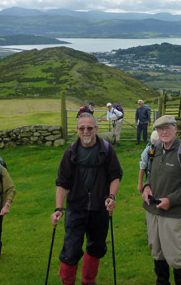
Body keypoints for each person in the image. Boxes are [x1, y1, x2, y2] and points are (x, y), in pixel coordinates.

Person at [51, 112, 123, 285]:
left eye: (90, 128)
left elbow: (115, 176)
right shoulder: (70, 152)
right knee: (70, 250)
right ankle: (67, 282)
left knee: (96, 247)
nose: (86, 131)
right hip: (76, 208)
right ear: (77, 130)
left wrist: (112, 197)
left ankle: (88, 281)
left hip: (100, 208)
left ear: (96, 129)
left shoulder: (106, 150)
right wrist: (58, 209)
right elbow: (61, 183)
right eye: (82, 128)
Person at [141, 115, 181, 285]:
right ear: (157, 131)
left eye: (168, 128)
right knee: (156, 250)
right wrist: (146, 187)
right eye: (160, 129)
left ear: (175, 128)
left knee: (175, 255)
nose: (164, 132)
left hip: (172, 213)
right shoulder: (156, 148)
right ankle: (162, 282)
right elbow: (150, 174)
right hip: (152, 210)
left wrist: (170, 201)